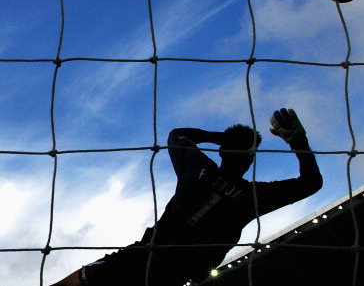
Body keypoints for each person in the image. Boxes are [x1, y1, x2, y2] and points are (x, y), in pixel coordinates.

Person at [50, 108, 323, 286]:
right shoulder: (253, 196)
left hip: (137, 261)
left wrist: (224, 138)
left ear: (221, 150)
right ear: (251, 158)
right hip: (170, 278)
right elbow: (311, 183)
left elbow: (177, 134)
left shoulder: (198, 167)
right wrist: (296, 139)